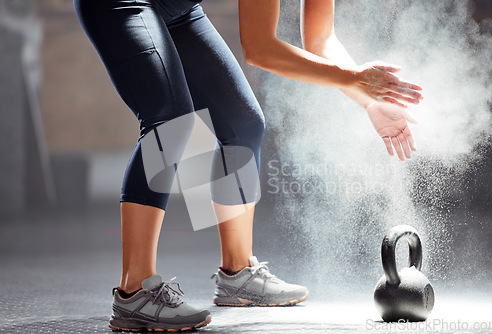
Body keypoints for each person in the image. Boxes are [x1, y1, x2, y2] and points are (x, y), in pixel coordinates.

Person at [74, 0, 422, 331]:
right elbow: (260, 48)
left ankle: (238, 275)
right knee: (169, 122)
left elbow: (320, 39)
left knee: (243, 123)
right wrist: (355, 79)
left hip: (176, 10)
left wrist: (370, 102)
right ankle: (135, 292)